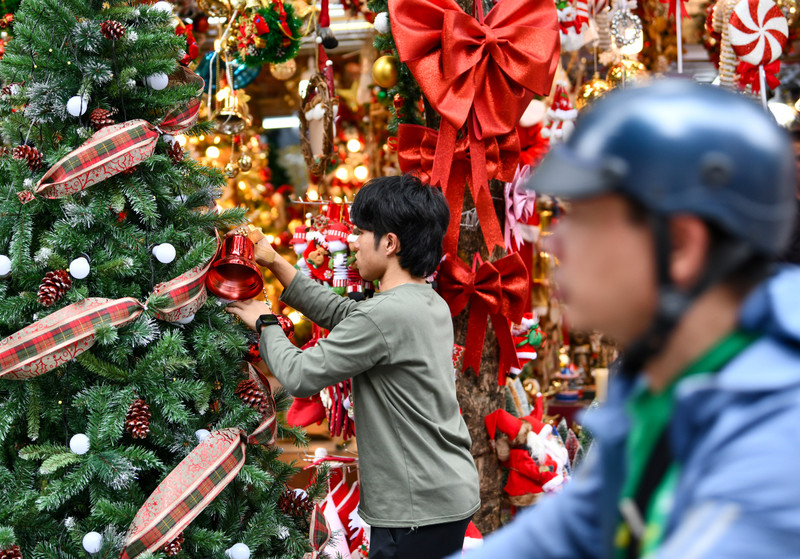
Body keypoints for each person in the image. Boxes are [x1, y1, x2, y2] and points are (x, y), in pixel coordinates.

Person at [456, 80, 800, 559]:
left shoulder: (777, 436)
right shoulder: (671, 379)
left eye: (589, 220)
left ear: (680, 244)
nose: (555, 243)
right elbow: (572, 528)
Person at [226, 174, 480, 559]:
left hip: (416, 508)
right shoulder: (427, 302)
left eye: (362, 232)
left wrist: (265, 322)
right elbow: (346, 312)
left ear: (390, 243)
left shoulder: (386, 315)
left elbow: (298, 376)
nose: (353, 241)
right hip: (443, 493)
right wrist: (275, 262)